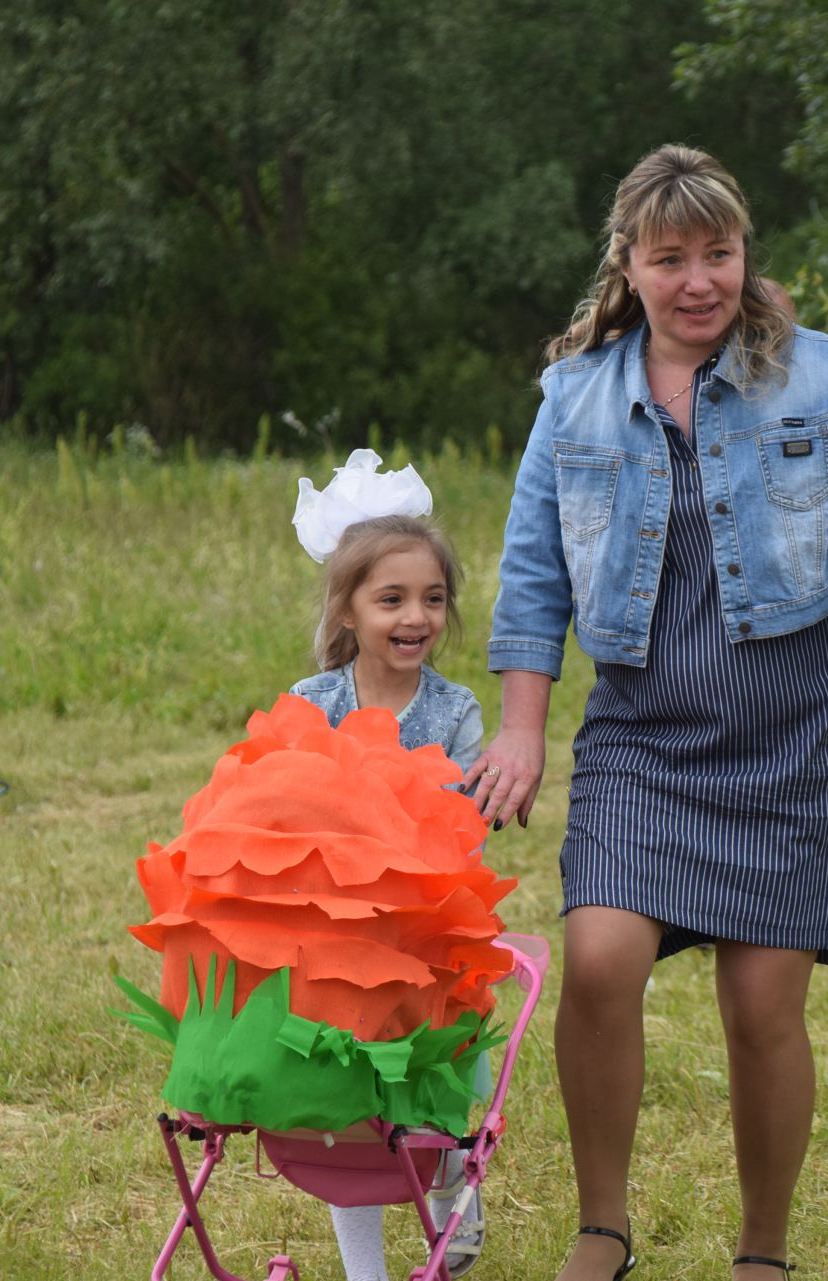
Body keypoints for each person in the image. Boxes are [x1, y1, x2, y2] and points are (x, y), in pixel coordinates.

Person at [464, 145, 828, 1281]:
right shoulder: (575, 396)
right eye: (669, 257)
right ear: (628, 265)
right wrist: (523, 728)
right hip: (645, 741)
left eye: (716, 254)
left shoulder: (826, 378)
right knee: (598, 959)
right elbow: (532, 578)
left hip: (796, 742)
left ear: (742, 255)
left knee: (763, 1009)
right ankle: (602, 1227)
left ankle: (761, 1253)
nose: (697, 281)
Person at [289, 450, 488, 1279]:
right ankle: (364, 1273)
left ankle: (453, 1189)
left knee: (429, 1096)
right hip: (337, 944)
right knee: (347, 1111)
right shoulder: (314, 702)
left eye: (433, 598)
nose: (417, 616)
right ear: (348, 609)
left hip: (429, 941)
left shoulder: (455, 711)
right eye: (393, 598)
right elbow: (287, 814)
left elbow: (469, 834)